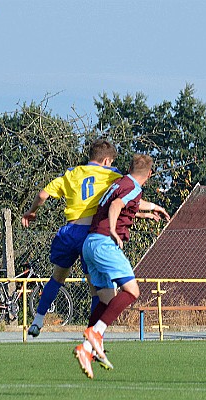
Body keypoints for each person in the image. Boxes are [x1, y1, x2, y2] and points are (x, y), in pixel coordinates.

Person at [73, 154, 170, 379]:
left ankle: (87, 350)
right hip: (105, 243)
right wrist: (115, 230)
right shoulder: (134, 187)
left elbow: (127, 204)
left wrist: (150, 210)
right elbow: (117, 205)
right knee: (132, 291)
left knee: (106, 299)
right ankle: (95, 334)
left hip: (90, 244)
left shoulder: (120, 182)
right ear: (150, 174)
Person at [21, 139, 122, 338]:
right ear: (106, 160)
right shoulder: (112, 175)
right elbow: (124, 198)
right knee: (95, 287)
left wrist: (31, 212)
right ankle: (92, 334)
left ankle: (37, 321)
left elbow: (42, 195)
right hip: (91, 234)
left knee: (57, 278)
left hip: (69, 232)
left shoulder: (71, 173)